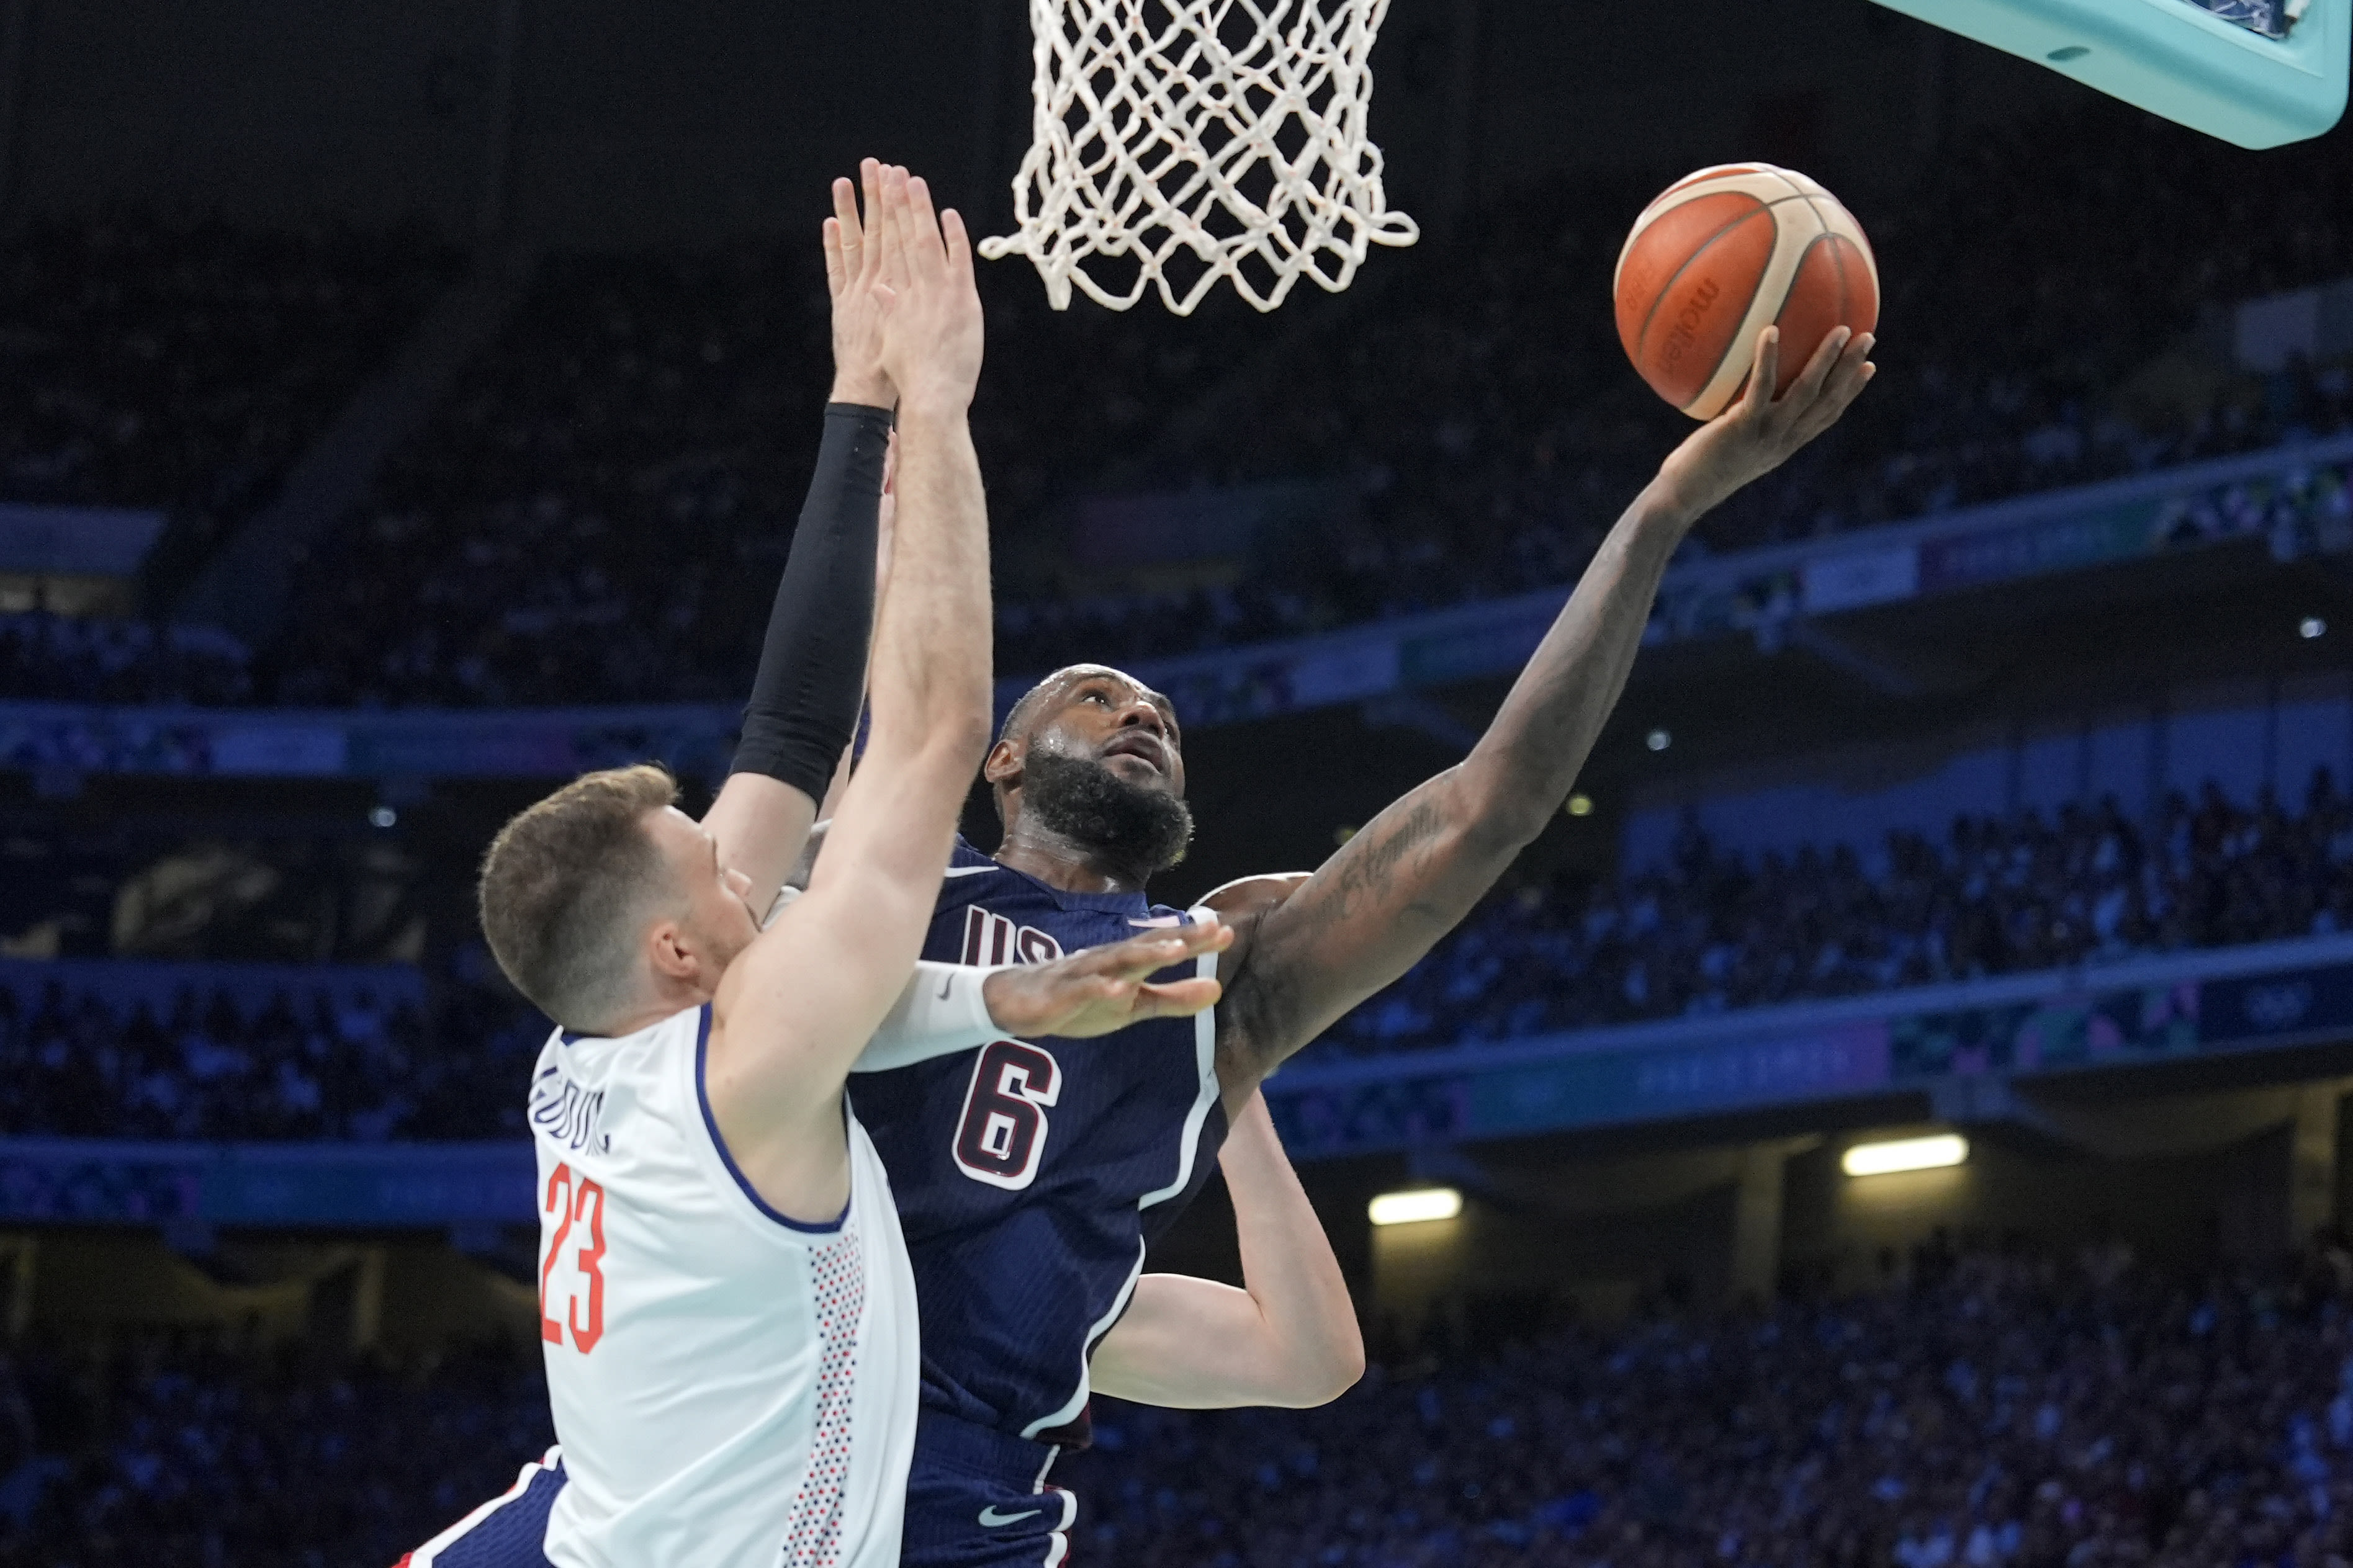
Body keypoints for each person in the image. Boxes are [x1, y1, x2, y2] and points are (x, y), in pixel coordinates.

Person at [399, 164, 1360, 1568]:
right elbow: (926, 740)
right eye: (722, 885)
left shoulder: (593, 1044)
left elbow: (788, 729)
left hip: (586, 1525)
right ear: (680, 952)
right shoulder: (745, 1064)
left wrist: (857, 409)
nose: (753, 879)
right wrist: (940, 402)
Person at [838, 320, 1880, 1566]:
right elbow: (885, 692)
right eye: (1099, 694)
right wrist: (889, 457)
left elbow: (1481, 810)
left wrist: (1662, 508)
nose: (1145, 715)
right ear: (1002, 758)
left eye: (1163, 715)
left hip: (953, 1502)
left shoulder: (1211, 992)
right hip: (751, 1411)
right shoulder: (903, 876)